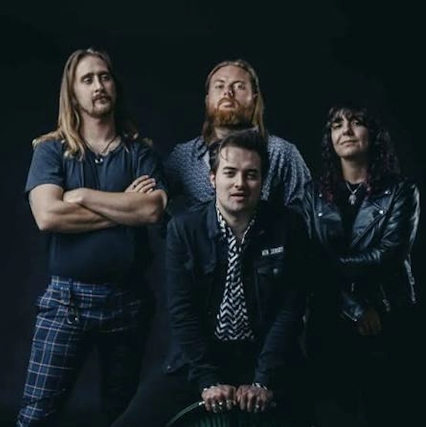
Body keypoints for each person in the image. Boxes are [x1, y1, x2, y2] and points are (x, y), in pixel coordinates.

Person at [112, 129, 309, 427]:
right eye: (230, 173)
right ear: (213, 178)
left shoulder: (287, 226)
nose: (240, 183)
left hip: (267, 357)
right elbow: (182, 311)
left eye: (251, 175)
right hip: (200, 358)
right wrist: (207, 379)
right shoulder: (184, 229)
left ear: (262, 181)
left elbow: (290, 309)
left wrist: (263, 379)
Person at [16, 48, 167, 427]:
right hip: (67, 301)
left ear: (115, 85)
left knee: (121, 416)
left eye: (104, 76)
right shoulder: (50, 150)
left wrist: (82, 196)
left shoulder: (140, 152)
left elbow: (151, 210)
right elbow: (48, 215)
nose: (98, 85)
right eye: (87, 79)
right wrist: (123, 208)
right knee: (37, 416)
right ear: (73, 93)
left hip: (128, 301)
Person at [302, 104, 420, 426]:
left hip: (388, 316)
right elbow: (306, 261)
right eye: (337, 124)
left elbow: (388, 255)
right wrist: (354, 308)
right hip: (329, 319)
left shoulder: (401, 191)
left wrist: (326, 265)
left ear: (374, 134)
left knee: (390, 413)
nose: (346, 130)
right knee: (331, 415)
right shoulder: (312, 194)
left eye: (356, 122)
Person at [165, 59, 310, 213]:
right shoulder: (185, 155)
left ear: (254, 99)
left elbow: (306, 213)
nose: (228, 92)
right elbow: (155, 202)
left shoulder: (281, 153)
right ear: (207, 100)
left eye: (239, 86)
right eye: (219, 86)